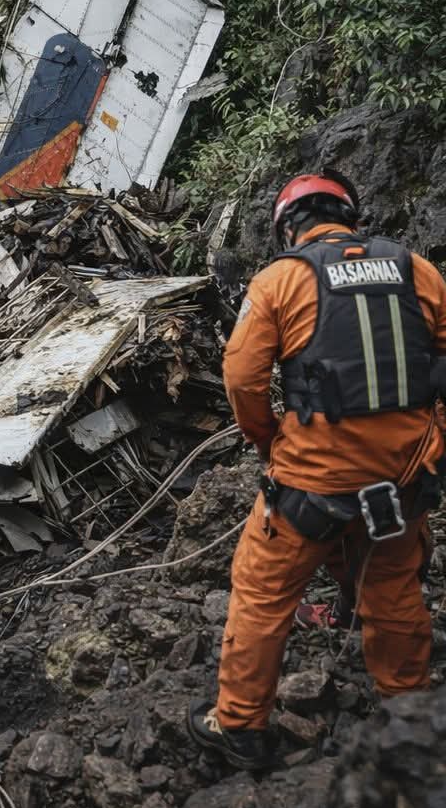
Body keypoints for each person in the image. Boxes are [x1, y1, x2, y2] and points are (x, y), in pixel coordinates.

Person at [189, 169, 446, 768]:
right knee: (394, 588)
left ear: (288, 228)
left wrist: (267, 440)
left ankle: (240, 726)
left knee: (262, 593)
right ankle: (410, 717)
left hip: (311, 483)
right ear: (349, 216)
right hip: (405, 479)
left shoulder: (281, 280)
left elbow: (242, 378)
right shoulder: (419, 271)